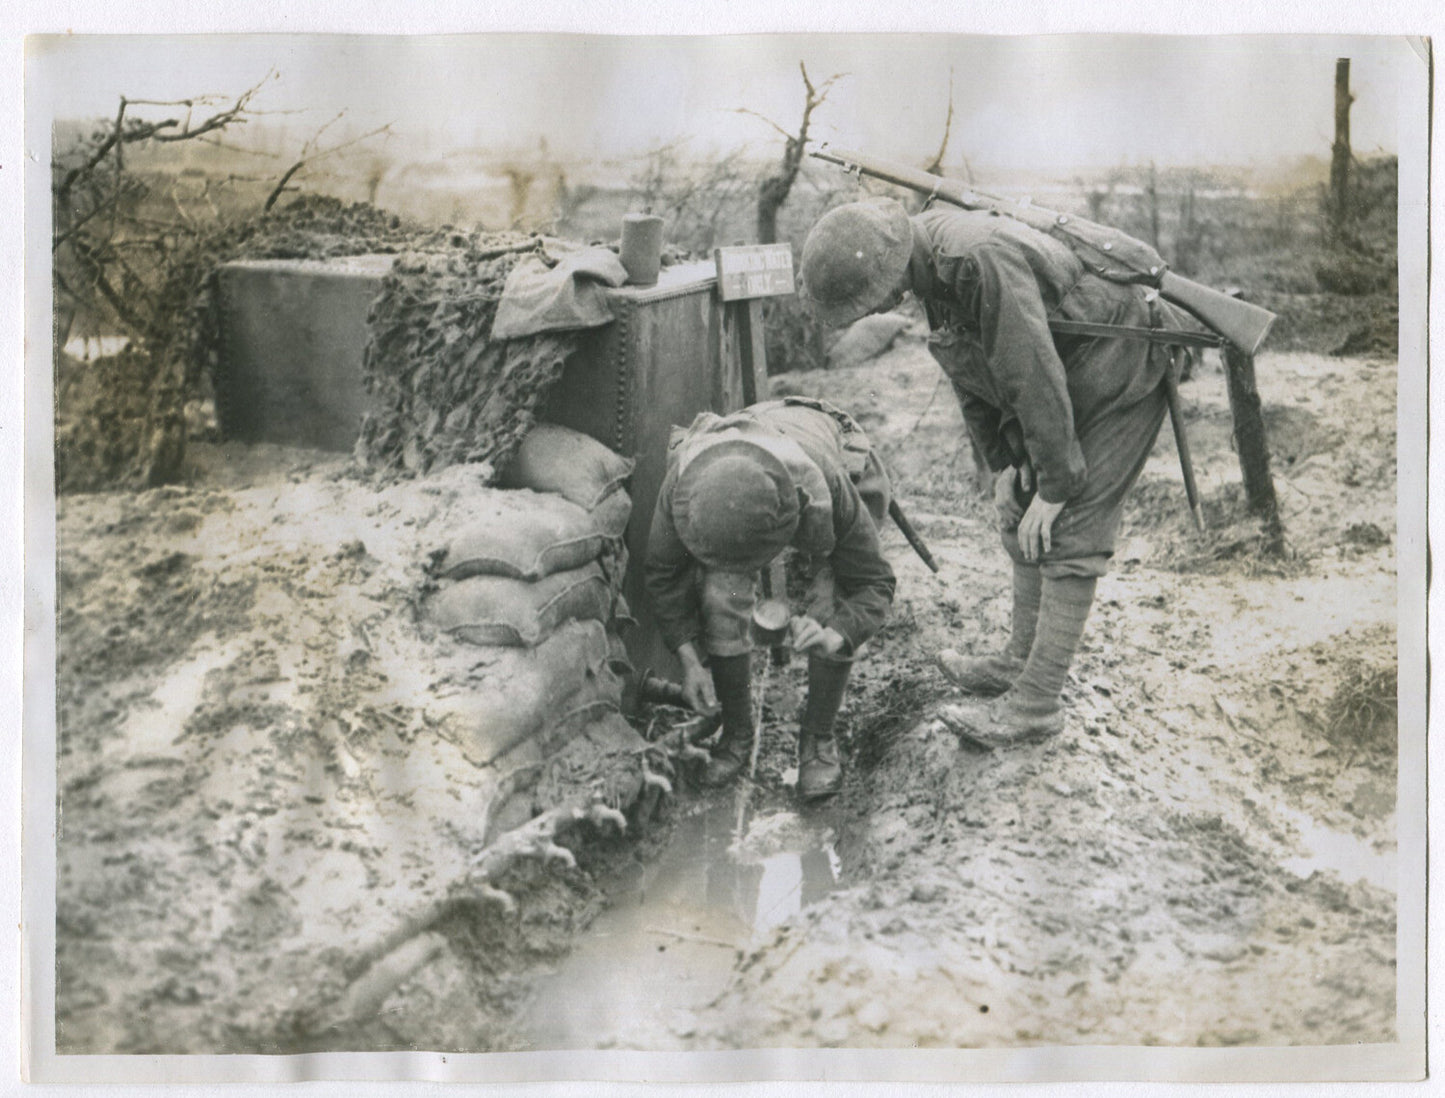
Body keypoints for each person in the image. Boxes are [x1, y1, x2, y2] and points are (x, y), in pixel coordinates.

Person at [798, 196, 1189, 750]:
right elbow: (971, 370)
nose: (874, 310)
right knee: (1021, 501)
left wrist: (1056, 484)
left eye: (870, 301)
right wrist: (1007, 465)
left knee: (1072, 527)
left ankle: (1036, 705)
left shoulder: (977, 258)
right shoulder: (928, 264)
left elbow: (1029, 368)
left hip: (1121, 355)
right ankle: (1017, 661)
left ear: (887, 274)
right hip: (1069, 365)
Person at [643, 397, 896, 799]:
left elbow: (873, 581)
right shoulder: (685, 486)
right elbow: (663, 573)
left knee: (831, 598)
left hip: (820, 442)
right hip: (749, 457)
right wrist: (690, 662)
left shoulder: (828, 487)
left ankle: (818, 737)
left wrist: (834, 635)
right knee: (719, 592)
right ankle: (737, 732)